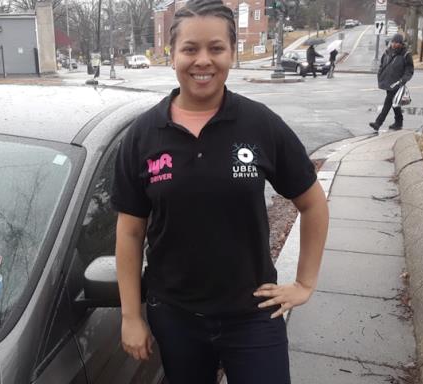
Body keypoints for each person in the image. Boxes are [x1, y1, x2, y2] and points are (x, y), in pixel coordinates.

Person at [111, 0, 330, 383]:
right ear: (173, 54)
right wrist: (131, 316)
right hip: (176, 317)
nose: (203, 61)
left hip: (253, 315)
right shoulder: (143, 136)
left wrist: (304, 283)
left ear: (232, 53)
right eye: (190, 49)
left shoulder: (260, 124)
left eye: (216, 48)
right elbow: (130, 233)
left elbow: (312, 203)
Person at [369, 33, 414, 132]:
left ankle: (378, 123)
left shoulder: (406, 54)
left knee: (388, 102)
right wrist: (380, 74)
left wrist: (403, 80)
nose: (394, 44)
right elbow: (382, 64)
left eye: (397, 43)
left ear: (401, 43)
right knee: (395, 103)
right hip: (388, 81)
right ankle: (399, 122)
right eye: (393, 42)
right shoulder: (387, 52)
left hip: (397, 82)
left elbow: (409, 69)